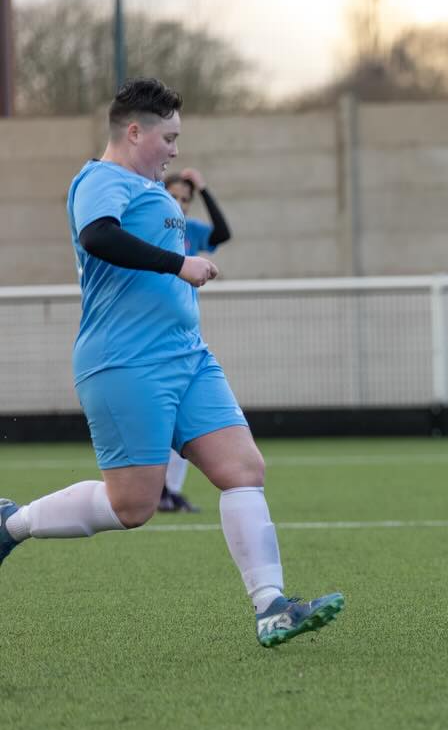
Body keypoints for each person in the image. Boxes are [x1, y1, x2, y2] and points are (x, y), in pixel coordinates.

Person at [0, 77, 343, 649]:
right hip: (125, 363)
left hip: (189, 359)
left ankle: (272, 607)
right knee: (133, 505)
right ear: (135, 132)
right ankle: (11, 524)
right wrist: (178, 265)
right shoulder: (99, 180)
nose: (176, 151)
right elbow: (99, 237)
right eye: (169, 137)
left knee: (243, 470)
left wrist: (182, 268)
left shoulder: (153, 189)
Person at [157, 167, 233, 513]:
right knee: (160, 416)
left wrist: (203, 188)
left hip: (182, 337)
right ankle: (156, 489)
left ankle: (168, 491)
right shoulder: (148, 228)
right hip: (152, 336)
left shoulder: (188, 232)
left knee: (182, 417)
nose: (179, 204)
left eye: (184, 199)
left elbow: (223, 232)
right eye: (172, 196)